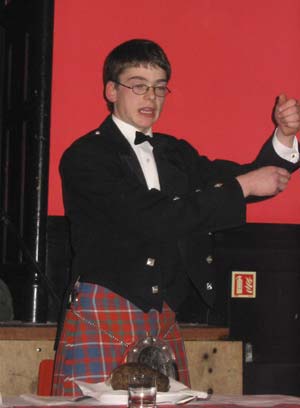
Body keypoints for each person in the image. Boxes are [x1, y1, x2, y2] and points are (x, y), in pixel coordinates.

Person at [52, 38, 300, 396]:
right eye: (138, 86)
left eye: (159, 88)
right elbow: (151, 218)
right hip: (104, 310)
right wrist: (241, 186)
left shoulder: (175, 153)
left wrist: (283, 136)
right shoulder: (85, 155)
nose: (150, 98)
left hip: (162, 314)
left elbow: (251, 179)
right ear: (111, 90)